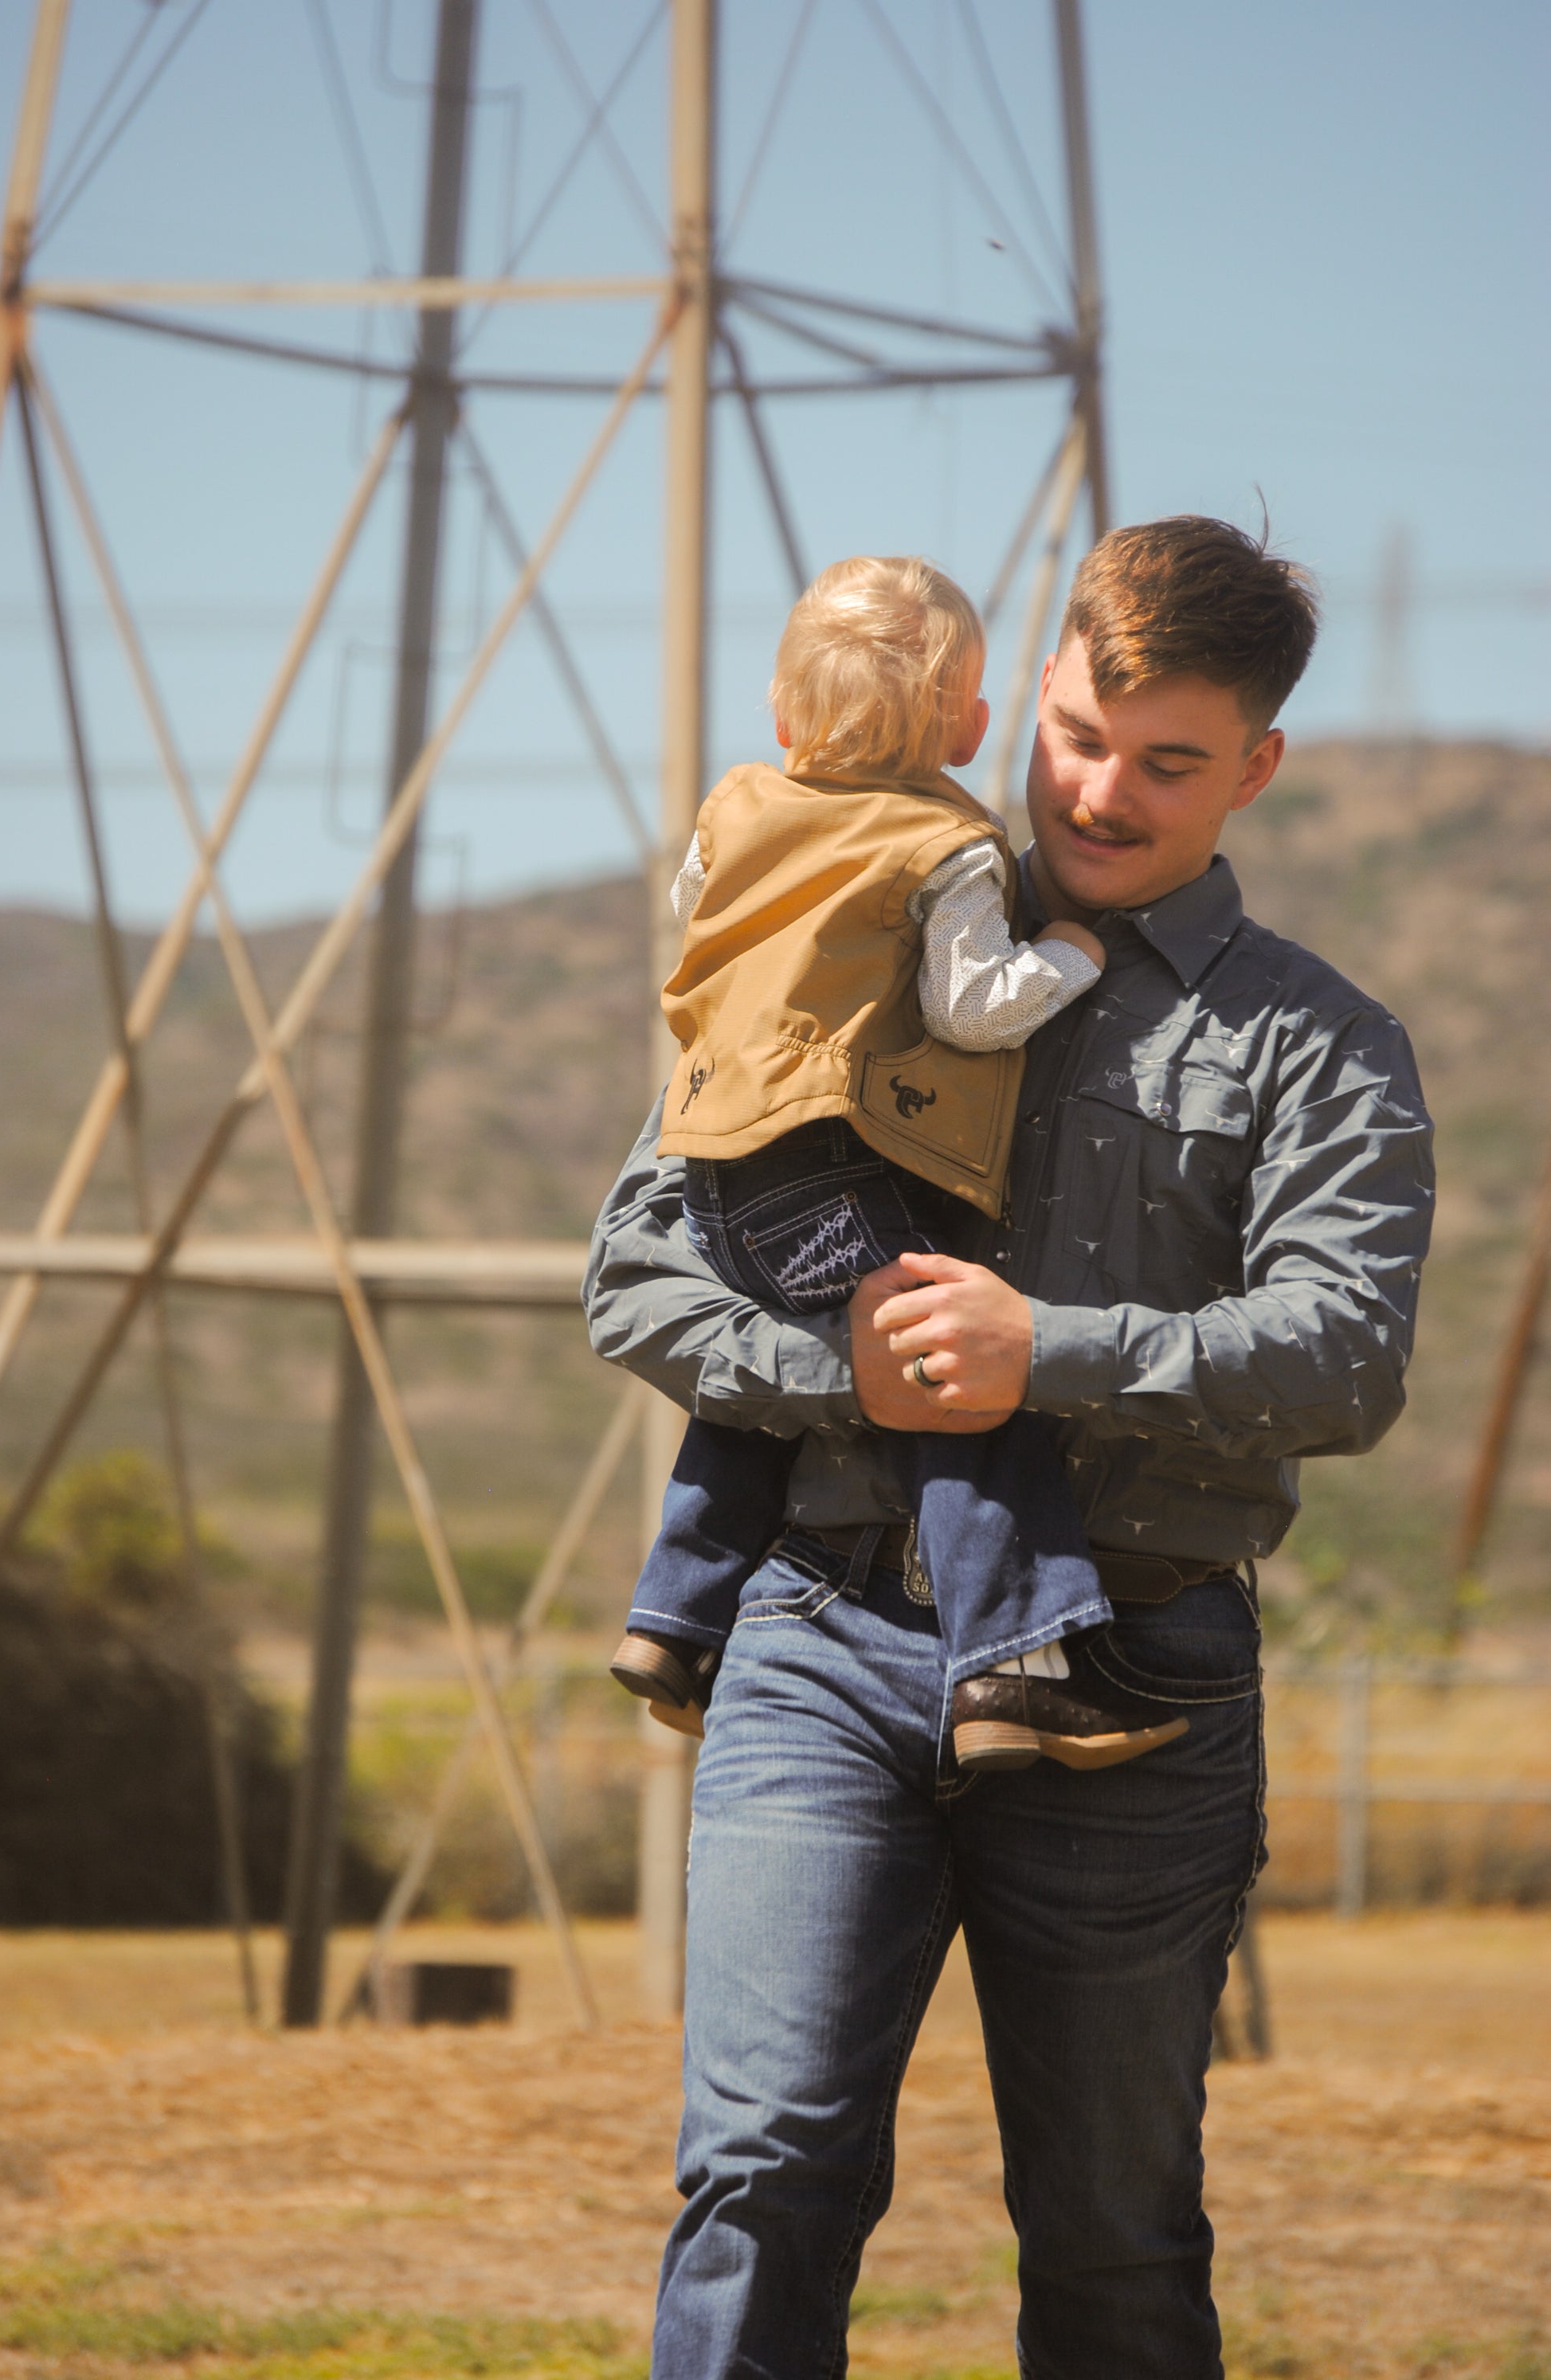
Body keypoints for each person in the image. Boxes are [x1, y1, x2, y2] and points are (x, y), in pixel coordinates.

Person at [585, 515, 1435, 2379]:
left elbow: (1346, 1362)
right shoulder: (847, 919)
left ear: (1257, 767)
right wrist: (856, 1380)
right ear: (1018, 700)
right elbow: (633, 1281)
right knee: (759, 2176)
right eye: (1072, 734)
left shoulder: (1316, 1044)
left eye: (1166, 762)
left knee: (1114, 2228)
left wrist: (1038, 1351)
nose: (1101, 790)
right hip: (817, 1641)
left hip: (1144, 1669)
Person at [612, 554, 1185, 1775]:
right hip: (829, 1166)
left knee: (759, 1406)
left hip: (717, 1161)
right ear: (974, 727)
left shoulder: (738, 802)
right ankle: (1017, 1669)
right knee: (959, 1377)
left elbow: (698, 904)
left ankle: (673, 1623)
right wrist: (1071, 957)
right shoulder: (946, 844)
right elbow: (975, 1008)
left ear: (781, 716)